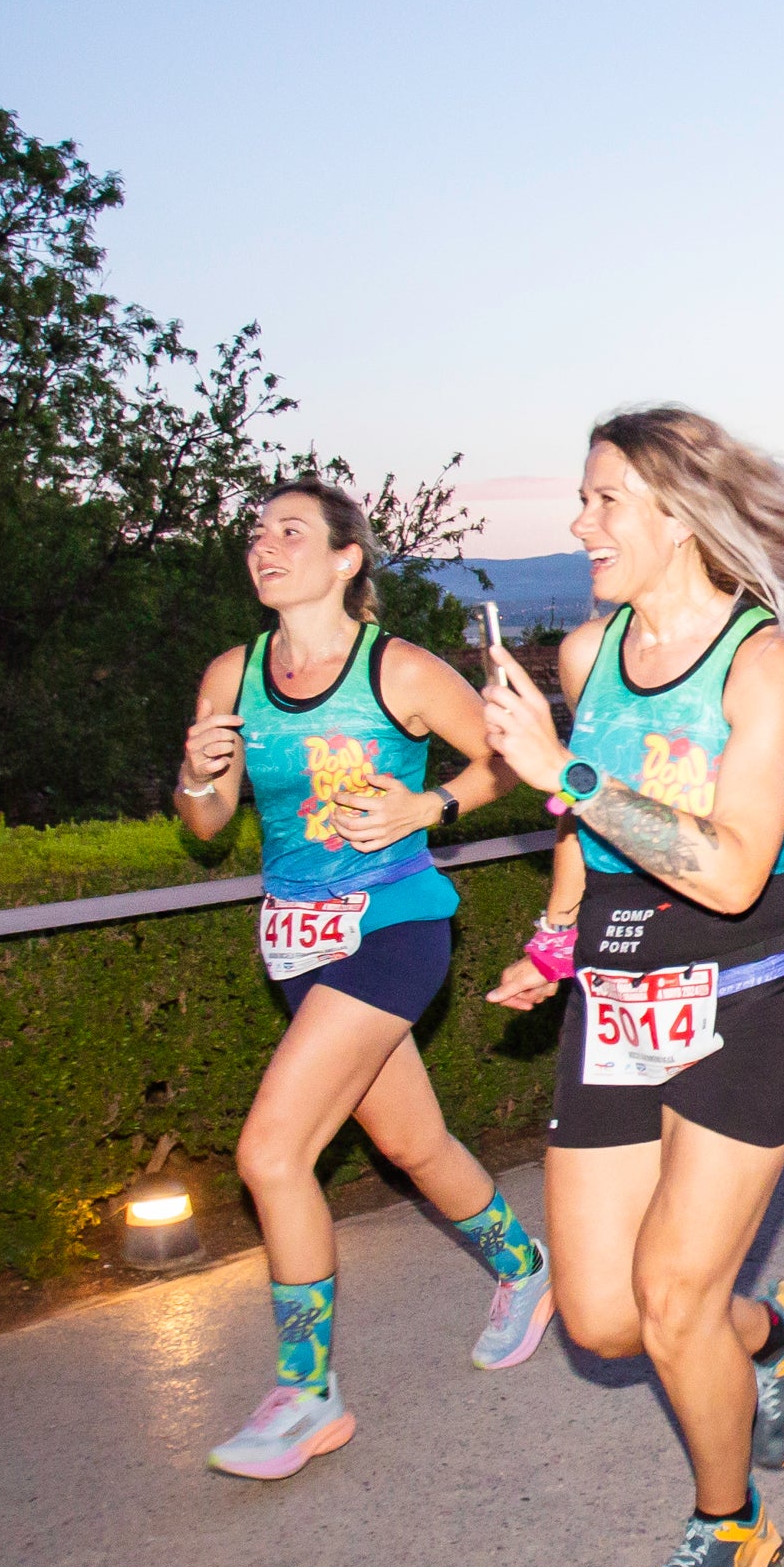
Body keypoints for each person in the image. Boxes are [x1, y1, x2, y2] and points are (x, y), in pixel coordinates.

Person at [470, 409, 784, 1567]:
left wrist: (565, 771)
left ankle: (729, 1520)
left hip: (748, 1007)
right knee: (601, 1315)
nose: (579, 523)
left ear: (678, 514)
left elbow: (736, 869)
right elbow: (586, 842)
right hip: (618, 1002)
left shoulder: (760, 664)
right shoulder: (587, 659)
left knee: (671, 1297)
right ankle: (775, 1336)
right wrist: (554, 937)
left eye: (602, 501)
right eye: (581, 502)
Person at [169, 482, 545, 1485]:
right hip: (297, 940)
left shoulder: (401, 670)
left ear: (345, 560)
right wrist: (200, 773)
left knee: (272, 1151)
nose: (265, 545)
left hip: (394, 927)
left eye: (290, 531)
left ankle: (306, 1392)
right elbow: (203, 822)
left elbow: (506, 761)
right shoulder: (230, 676)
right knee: (409, 1140)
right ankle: (525, 1268)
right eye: (256, 533)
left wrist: (430, 802)